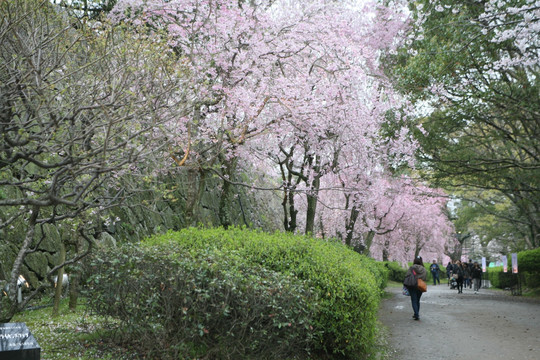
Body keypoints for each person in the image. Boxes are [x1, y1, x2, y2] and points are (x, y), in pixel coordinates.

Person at [404, 256, 427, 320]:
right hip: (420, 285)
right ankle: (416, 313)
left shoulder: (412, 268)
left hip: (412, 285)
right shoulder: (424, 269)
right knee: (417, 300)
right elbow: (425, 277)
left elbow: (407, 275)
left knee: (414, 300)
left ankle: (416, 314)